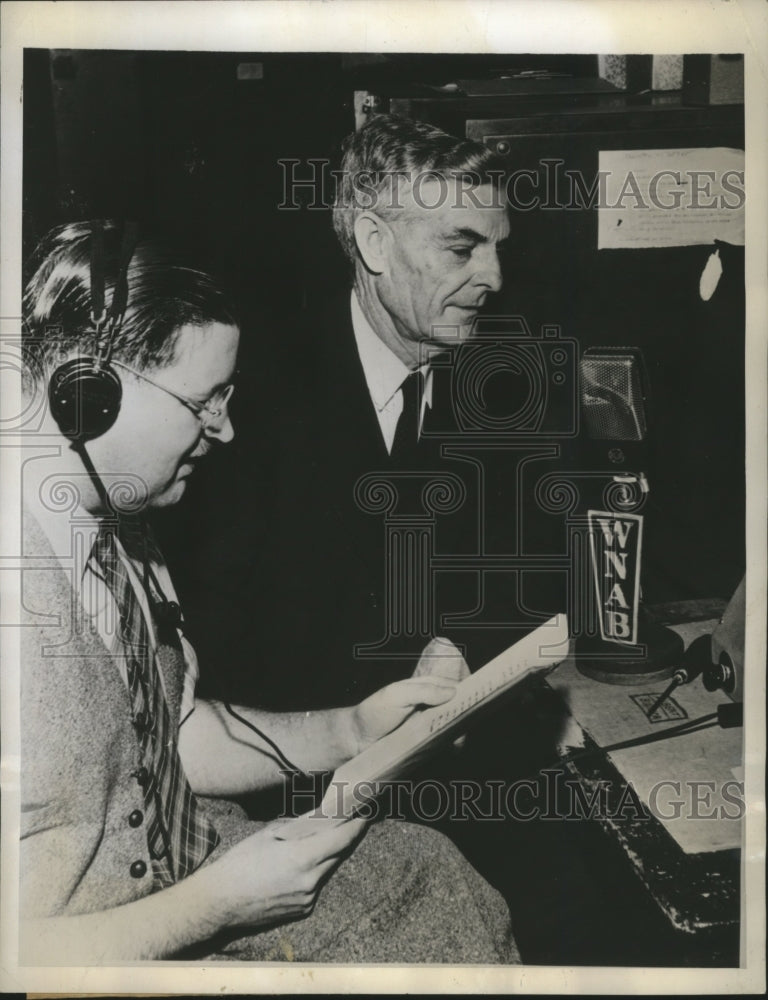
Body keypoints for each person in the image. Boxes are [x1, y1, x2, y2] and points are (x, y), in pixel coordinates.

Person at [17, 220, 520, 965]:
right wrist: (215, 904)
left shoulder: (121, 518)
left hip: (178, 871)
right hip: (99, 946)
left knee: (433, 874)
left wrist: (353, 730)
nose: (224, 430)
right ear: (88, 396)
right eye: (202, 402)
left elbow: (177, 734)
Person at [170, 114, 559, 712]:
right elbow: (214, 637)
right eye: (462, 249)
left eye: (498, 248)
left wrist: (464, 646)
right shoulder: (250, 401)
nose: (495, 278)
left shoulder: (509, 383)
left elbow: (534, 566)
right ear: (376, 243)